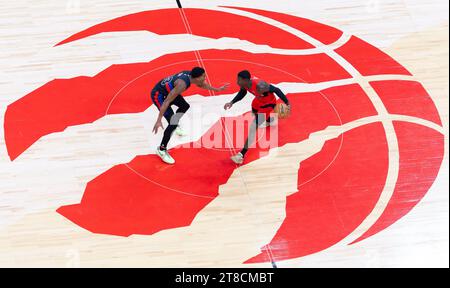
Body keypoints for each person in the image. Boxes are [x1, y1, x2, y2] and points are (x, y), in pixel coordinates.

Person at [152, 67, 229, 164]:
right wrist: (159, 120)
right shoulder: (182, 84)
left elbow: (202, 85)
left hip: (169, 93)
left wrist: (217, 89)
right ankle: (162, 149)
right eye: (203, 76)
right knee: (173, 124)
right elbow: (167, 101)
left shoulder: (190, 75)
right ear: (196, 78)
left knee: (184, 106)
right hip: (159, 96)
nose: (205, 78)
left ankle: (174, 123)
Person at [224, 70, 290, 164]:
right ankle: (268, 120)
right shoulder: (245, 84)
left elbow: (276, 90)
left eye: (239, 80)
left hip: (268, 104)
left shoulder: (260, 85)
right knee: (254, 110)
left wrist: (287, 103)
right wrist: (232, 102)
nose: (237, 82)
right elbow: (242, 93)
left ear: (246, 80)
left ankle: (241, 155)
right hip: (258, 100)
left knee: (253, 128)